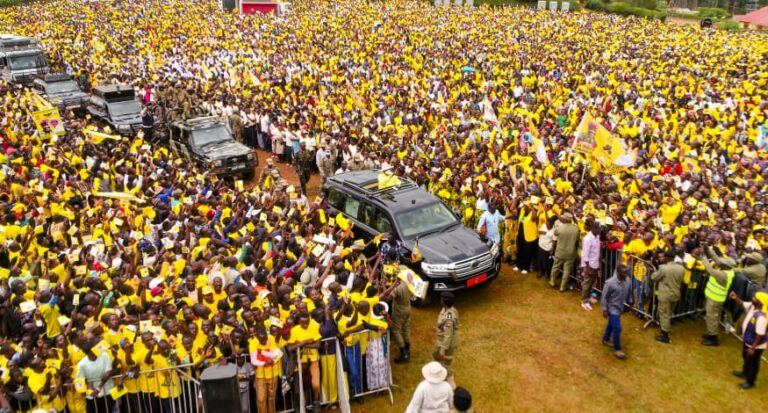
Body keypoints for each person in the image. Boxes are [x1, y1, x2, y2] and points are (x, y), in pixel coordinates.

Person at [729, 291, 768, 390]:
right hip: (749, 340)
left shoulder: (762, 318)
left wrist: (753, 348)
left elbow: (760, 334)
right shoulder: (752, 306)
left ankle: (751, 381)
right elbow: (742, 304)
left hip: (756, 345)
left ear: (761, 303)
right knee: (745, 356)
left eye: (755, 298)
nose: (753, 297)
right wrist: (736, 297)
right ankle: (744, 373)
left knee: (753, 362)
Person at [699, 247, 737, 346]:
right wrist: (708, 249)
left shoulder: (724, 275)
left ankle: (713, 338)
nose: (720, 262)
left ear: (726, 265)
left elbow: (710, 269)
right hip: (713, 297)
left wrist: (702, 256)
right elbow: (717, 259)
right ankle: (711, 333)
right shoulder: (727, 269)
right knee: (712, 317)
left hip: (715, 299)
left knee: (712, 318)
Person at [651, 250, 685, 344]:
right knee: (668, 314)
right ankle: (664, 329)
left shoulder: (663, 268)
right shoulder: (681, 268)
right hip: (676, 294)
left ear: (666, 258)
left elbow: (654, 277)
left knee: (664, 314)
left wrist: (654, 272)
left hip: (665, 295)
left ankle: (664, 335)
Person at [601, 265, 632, 359]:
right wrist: (605, 309)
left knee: (611, 324)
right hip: (612, 308)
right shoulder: (610, 283)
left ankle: (605, 339)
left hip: (620, 307)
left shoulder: (628, 280)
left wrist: (630, 301)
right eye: (624, 272)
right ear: (618, 272)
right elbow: (604, 297)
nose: (626, 274)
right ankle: (617, 349)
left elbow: (629, 292)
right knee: (617, 328)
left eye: (627, 272)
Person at [76, 342, 116, 413]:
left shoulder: (104, 355)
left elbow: (107, 375)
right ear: (89, 352)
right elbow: (80, 382)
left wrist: (98, 389)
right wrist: (90, 391)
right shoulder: (81, 364)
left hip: (107, 393)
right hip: (92, 398)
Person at [549, 213, 580, 292]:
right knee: (567, 270)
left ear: (566, 219)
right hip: (570, 252)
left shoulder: (560, 227)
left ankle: (552, 282)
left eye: (563, 218)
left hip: (560, 251)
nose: (561, 219)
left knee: (556, 267)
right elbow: (576, 241)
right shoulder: (576, 229)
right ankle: (562, 287)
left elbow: (555, 233)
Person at [434, 292, 459, 377]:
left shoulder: (449, 317)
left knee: (446, 363)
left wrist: (443, 349)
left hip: (446, 342)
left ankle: (448, 378)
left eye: (441, 299)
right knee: (436, 355)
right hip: (441, 339)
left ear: (444, 302)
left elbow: (448, 334)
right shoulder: (446, 309)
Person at [580, 222, 602, 311]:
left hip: (595, 263)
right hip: (589, 265)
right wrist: (587, 267)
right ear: (594, 228)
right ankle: (584, 301)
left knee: (592, 282)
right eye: (599, 229)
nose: (600, 231)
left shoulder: (597, 237)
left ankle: (588, 297)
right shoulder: (587, 239)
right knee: (587, 283)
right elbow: (585, 254)